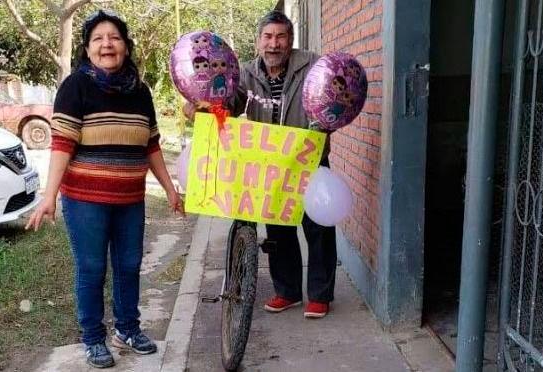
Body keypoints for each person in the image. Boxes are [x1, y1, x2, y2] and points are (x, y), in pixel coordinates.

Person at [25, 10, 184, 369]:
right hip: (85, 201)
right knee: (92, 267)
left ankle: (127, 328)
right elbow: (62, 144)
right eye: (98, 39)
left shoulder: (140, 92)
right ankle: (93, 337)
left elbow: (152, 145)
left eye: (114, 38)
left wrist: (170, 189)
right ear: (87, 49)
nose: (107, 44)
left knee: (129, 264)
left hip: (130, 199)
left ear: (126, 47)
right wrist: (49, 196)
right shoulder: (76, 87)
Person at [184, 10, 336, 319]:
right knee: (278, 229)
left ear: (290, 41)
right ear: (258, 41)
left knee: (318, 227)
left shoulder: (312, 65)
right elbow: (229, 104)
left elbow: (328, 102)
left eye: (280, 37)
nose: (274, 44)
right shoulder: (246, 73)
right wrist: (203, 106)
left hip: (308, 160)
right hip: (270, 165)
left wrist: (321, 127)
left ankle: (320, 295)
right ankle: (288, 292)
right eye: (268, 37)